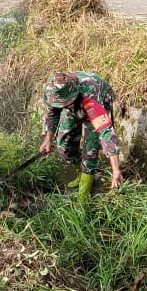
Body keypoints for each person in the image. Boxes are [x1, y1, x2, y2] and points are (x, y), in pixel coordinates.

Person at [38, 71, 123, 200]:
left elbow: (106, 131)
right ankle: (80, 173)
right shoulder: (54, 89)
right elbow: (53, 112)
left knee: (91, 150)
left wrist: (116, 170)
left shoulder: (90, 97)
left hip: (98, 98)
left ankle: (85, 193)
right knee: (63, 146)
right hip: (73, 102)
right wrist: (48, 139)